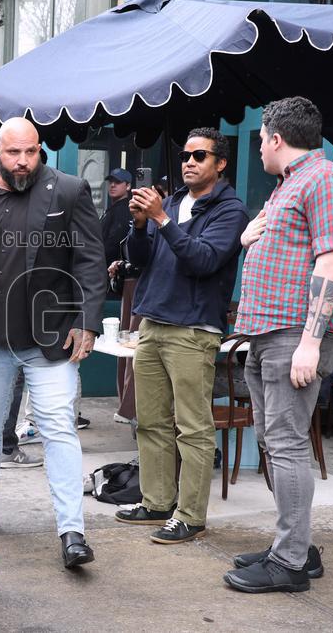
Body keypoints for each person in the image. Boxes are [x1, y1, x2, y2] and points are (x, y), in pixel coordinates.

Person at [224, 96, 333, 594]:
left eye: (260, 137)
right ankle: (296, 544)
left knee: (286, 445)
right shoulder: (288, 186)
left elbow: (331, 264)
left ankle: (290, 563)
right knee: (272, 444)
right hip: (266, 335)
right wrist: (245, 240)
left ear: (276, 138)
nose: (257, 146)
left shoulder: (325, 179)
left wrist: (309, 343)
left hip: (292, 336)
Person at [0, 117, 106, 569]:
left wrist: (87, 321)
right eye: (13, 153)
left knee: (58, 426)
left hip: (51, 336)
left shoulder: (67, 190)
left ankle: (72, 531)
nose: (23, 161)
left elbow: (89, 258)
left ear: (39, 148)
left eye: (31, 152)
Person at [113, 128, 249, 544]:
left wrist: (160, 220)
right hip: (152, 323)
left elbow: (204, 261)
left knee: (192, 428)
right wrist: (138, 227)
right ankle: (156, 502)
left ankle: (190, 514)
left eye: (199, 155)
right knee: (150, 421)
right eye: (186, 155)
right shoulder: (170, 202)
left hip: (194, 330)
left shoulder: (230, 211)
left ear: (220, 164)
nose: (189, 161)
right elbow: (138, 262)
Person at [100, 167, 134, 277]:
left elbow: (114, 244)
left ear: (128, 186)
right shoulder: (113, 209)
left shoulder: (124, 210)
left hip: (115, 272)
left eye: (118, 182)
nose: (113, 185)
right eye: (111, 181)